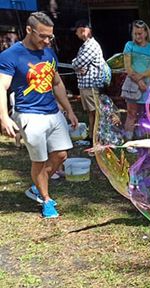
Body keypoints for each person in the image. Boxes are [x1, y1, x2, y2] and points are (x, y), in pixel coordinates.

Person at [0, 11, 78, 219]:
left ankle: (36, 186)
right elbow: (2, 86)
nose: (47, 40)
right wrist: (4, 117)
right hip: (28, 114)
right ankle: (46, 199)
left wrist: (69, 110)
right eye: (42, 36)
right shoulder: (10, 56)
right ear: (29, 30)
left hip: (52, 112)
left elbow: (57, 83)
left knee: (62, 154)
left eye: (50, 36)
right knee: (39, 160)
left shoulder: (49, 53)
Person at [122, 20, 150, 140]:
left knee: (149, 114)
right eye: (135, 33)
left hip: (149, 86)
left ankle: (145, 138)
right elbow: (128, 67)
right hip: (133, 85)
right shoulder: (129, 45)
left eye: (140, 33)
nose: (138, 36)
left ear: (146, 33)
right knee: (131, 113)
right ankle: (128, 139)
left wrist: (142, 76)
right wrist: (138, 81)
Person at [71, 19, 106, 142]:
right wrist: (77, 65)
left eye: (77, 31)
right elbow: (77, 64)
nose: (76, 34)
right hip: (86, 86)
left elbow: (77, 63)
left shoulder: (91, 45)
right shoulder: (86, 45)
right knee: (91, 113)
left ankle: (97, 138)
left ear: (83, 30)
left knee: (95, 113)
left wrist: (75, 64)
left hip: (90, 86)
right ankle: (92, 138)